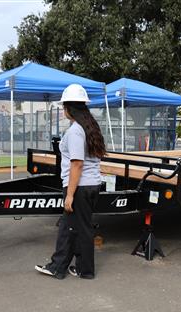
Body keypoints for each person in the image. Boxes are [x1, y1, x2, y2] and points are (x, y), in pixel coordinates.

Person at [35, 84, 105, 280]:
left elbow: (77, 164)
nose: (63, 110)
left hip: (79, 187)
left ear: (69, 108)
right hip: (91, 185)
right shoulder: (90, 127)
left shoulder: (75, 131)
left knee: (75, 228)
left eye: (64, 106)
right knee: (74, 227)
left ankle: (64, 268)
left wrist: (71, 194)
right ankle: (74, 267)